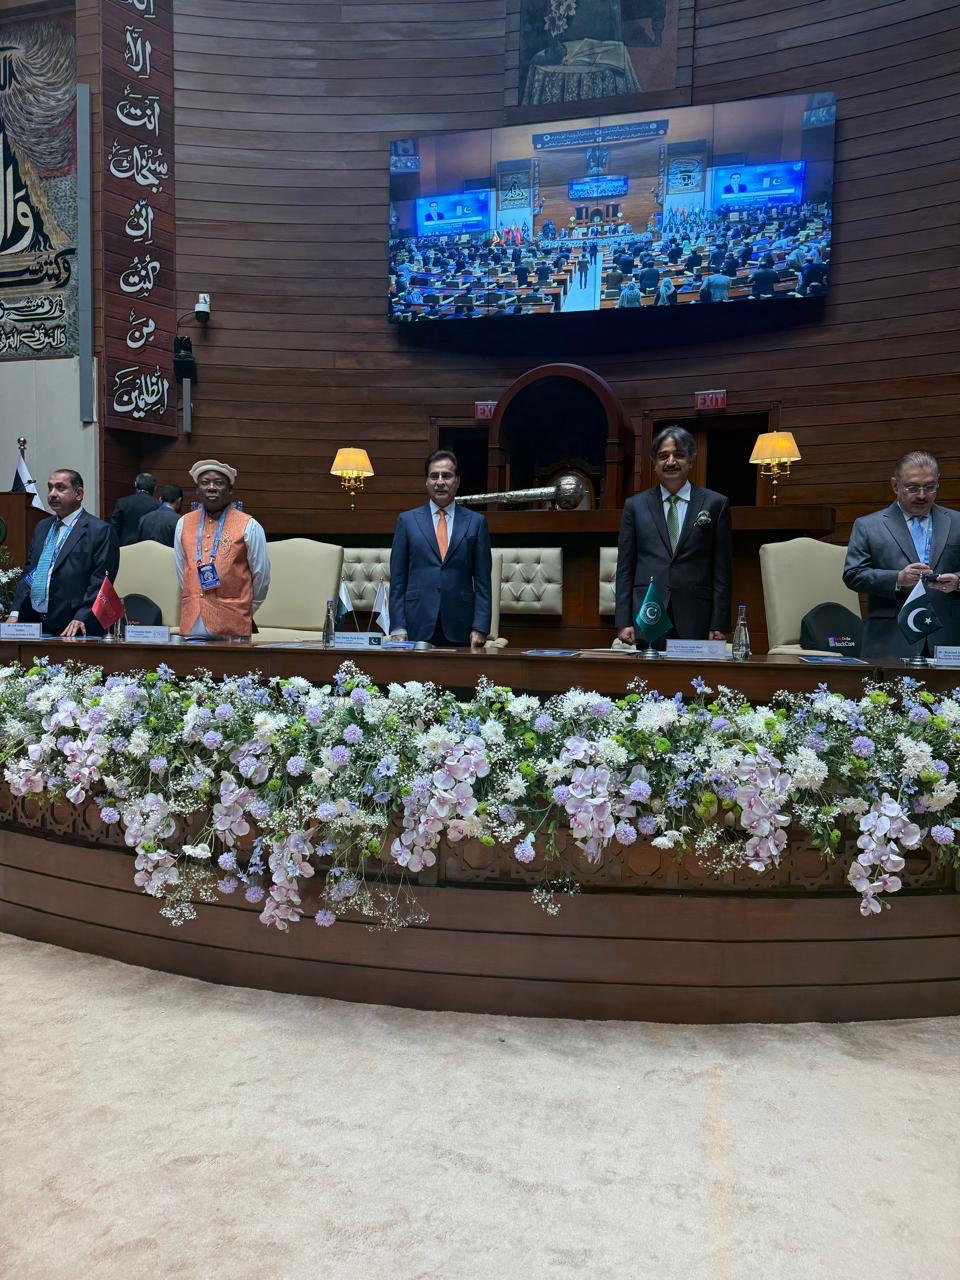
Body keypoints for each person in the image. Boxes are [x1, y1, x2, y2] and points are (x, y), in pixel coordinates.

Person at [615, 427, 732, 645]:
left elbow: (722, 570)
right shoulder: (635, 506)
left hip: (697, 616)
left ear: (690, 460)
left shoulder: (715, 504)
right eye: (663, 456)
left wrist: (719, 623)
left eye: (678, 455)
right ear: (654, 463)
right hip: (648, 613)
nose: (670, 462)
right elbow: (625, 567)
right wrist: (623, 620)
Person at [843, 450, 960, 659]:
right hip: (890, 638)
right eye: (912, 488)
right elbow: (853, 575)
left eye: (930, 487)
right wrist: (897, 578)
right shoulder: (868, 526)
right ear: (895, 485)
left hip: (948, 637)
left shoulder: (957, 522)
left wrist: (957, 582)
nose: (922, 495)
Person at [389, 449, 491, 648]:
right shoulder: (407, 521)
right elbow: (398, 580)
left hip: (461, 624)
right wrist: (398, 626)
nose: (440, 482)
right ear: (426, 482)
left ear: (457, 481)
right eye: (434, 476)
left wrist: (480, 626)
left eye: (447, 475)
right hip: (416, 621)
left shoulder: (476, 522)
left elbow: (483, 582)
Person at [7, 469, 119, 638]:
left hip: (76, 626)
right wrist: (16, 612)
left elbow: (101, 582)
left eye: (60, 488)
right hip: (35, 624)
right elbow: (30, 572)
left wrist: (82, 617)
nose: (52, 494)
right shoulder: (42, 527)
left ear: (78, 494)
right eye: (50, 487)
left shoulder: (100, 531)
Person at [174, 459, 270, 640]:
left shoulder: (249, 525)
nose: (211, 487)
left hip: (233, 624)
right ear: (197, 490)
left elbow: (261, 576)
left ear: (230, 490)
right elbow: (182, 571)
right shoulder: (183, 523)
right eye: (205, 483)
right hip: (192, 622)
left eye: (218, 483)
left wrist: (244, 608)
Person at [110, 472, 159, 547]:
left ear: (135, 484)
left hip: (126, 546)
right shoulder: (158, 505)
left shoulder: (122, 502)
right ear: (155, 488)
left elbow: (115, 527)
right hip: (149, 547)